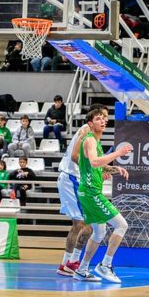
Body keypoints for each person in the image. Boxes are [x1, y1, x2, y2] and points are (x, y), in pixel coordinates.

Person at [72, 108, 133, 283]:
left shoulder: (95, 142)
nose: (103, 121)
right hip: (91, 193)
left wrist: (114, 168)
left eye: (104, 118)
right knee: (122, 225)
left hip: (88, 191)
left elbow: (97, 165)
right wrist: (118, 154)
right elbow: (94, 161)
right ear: (90, 124)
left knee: (99, 233)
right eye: (98, 119)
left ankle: (82, 269)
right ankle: (105, 265)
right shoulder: (90, 140)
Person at [57, 103, 108, 276]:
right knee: (86, 223)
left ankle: (66, 264)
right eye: (102, 117)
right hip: (71, 177)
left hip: (72, 177)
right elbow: (75, 156)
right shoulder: (86, 131)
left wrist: (102, 170)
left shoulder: (92, 134)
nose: (105, 120)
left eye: (106, 118)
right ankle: (73, 262)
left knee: (79, 225)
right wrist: (95, 169)